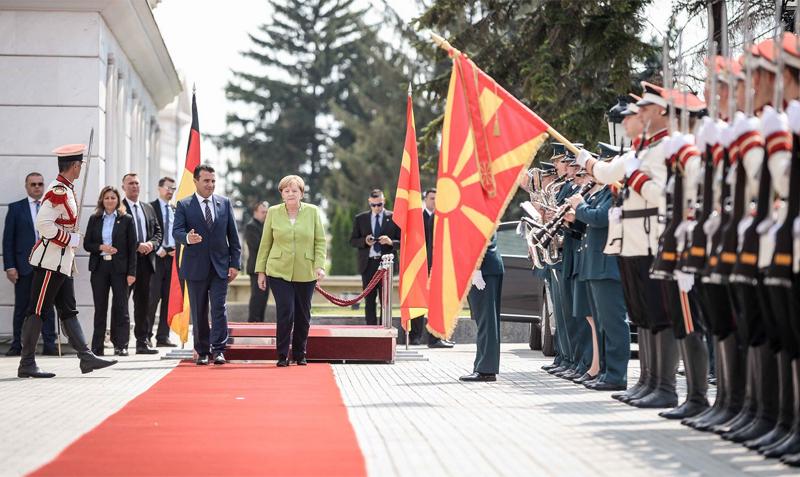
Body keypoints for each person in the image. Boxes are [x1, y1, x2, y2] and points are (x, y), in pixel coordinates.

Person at [18, 143, 117, 378]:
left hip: (62, 263)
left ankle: (86, 357)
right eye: (80, 164)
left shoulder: (67, 188)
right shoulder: (57, 190)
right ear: (74, 166)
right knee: (38, 310)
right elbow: (43, 224)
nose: (81, 167)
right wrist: (67, 238)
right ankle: (27, 363)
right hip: (50, 262)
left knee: (68, 310)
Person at [173, 164, 241, 365]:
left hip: (220, 267)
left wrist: (235, 264)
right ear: (195, 181)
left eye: (213, 181)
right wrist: (186, 237)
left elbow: (234, 237)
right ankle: (202, 351)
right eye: (206, 181)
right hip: (195, 268)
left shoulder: (225, 203)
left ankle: (219, 349)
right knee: (199, 310)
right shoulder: (184, 205)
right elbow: (176, 231)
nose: (210, 185)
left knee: (219, 308)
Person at [255, 175, 326, 367]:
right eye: (286, 191)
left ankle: (300, 353)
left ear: (302, 193)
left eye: (295, 191)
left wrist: (319, 265)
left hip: (306, 270)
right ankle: (282, 354)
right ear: (282, 194)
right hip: (278, 270)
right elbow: (265, 243)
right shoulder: (273, 212)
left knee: (303, 313)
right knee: (285, 310)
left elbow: (320, 241)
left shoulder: (312, 212)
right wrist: (260, 271)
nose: (291, 194)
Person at [3, 172, 57, 356]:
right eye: (33, 184)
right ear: (26, 186)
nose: (37, 187)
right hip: (24, 267)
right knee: (22, 309)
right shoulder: (16, 208)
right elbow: (8, 240)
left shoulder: (52, 208)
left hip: (47, 266)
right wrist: (9, 266)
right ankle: (17, 345)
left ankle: (50, 345)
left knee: (48, 307)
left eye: (40, 184)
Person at [84, 186, 137, 356]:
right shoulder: (95, 219)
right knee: (100, 308)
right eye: (106, 198)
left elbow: (131, 248)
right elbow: (87, 244)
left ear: (118, 200)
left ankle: (121, 345)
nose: (109, 201)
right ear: (102, 200)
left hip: (120, 269)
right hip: (100, 267)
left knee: (121, 307)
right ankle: (97, 346)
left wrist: (132, 273)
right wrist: (101, 247)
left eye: (113, 198)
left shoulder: (126, 219)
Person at [121, 172, 162, 354]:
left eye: (137, 183)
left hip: (146, 262)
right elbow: (116, 236)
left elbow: (158, 232)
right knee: (122, 304)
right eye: (130, 183)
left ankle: (142, 342)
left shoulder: (148, 208)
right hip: (125, 264)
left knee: (143, 304)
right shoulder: (118, 207)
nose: (134, 186)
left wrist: (151, 244)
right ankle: (120, 343)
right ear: (123, 187)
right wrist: (136, 246)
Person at [349, 189, 400, 326]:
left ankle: (385, 329)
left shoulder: (394, 217)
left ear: (384, 202)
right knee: (369, 301)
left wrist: (390, 242)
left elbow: (403, 241)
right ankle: (371, 331)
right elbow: (353, 241)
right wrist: (365, 241)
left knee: (386, 300)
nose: (377, 208)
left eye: (380, 205)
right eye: (374, 205)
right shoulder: (360, 219)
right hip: (368, 264)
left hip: (386, 264)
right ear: (369, 203)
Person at [460, 234, 504, 382]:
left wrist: (477, 268)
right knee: (485, 320)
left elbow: (481, 236)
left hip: (484, 269)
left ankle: (486, 370)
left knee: (487, 321)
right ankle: (483, 366)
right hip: (484, 268)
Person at [417, 188, 453, 348]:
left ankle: (439, 336)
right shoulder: (436, 218)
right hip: (436, 265)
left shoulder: (439, 216)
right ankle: (434, 338)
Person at [148, 177, 177, 347]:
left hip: (172, 259)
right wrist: (158, 248)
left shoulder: (175, 209)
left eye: (173, 188)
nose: (170, 191)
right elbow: (148, 231)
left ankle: (163, 337)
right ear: (159, 188)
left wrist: (177, 248)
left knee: (168, 299)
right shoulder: (151, 207)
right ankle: (146, 335)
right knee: (153, 299)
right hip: (156, 258)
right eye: (167, 187)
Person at [245, 200, 270, 322]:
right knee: (257, 297)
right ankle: (253, 323)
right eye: (262, 212)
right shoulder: (251, 226)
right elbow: (257, 245)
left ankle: (260, 322)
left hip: (266, 268)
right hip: (255, 268)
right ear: (255, 212)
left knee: (264, 298)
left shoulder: (264, 226)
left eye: (266, 212)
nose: (265, 214)